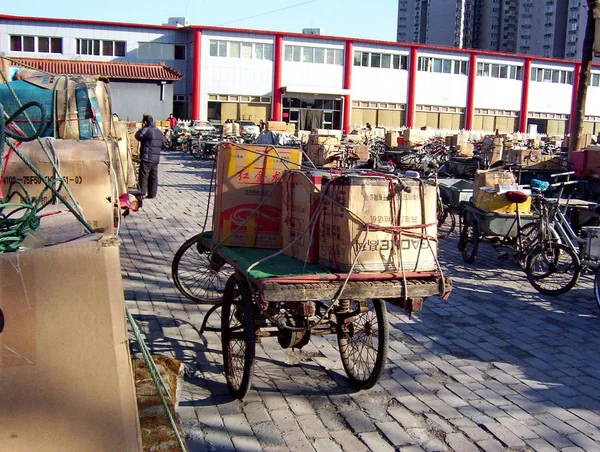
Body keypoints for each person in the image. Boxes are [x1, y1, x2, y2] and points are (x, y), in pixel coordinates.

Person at [135, 114, 165, 200]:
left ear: (145, 122)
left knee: (144, 175)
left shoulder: (147, 129)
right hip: (156, 158)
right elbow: (164, 142)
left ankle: (142, 192)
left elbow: (138, 136)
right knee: (153, 176)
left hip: (147, 157)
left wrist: (141, 128)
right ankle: (152, 193)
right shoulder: (158, 131)